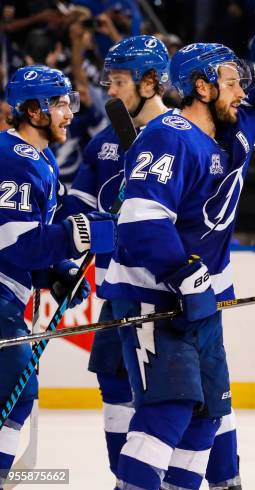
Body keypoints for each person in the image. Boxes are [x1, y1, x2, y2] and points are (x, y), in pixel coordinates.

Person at [96, 10, 255, 490]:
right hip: (154, 298)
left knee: (206, 414)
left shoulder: (230, 134)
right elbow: (143, 225)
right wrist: (189, 279)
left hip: (196, 300)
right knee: (168, 411)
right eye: (231, 82)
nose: (240, 91)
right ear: (202, 88)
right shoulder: (170, 135)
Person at [55, 34, 244, 490]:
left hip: (181, 290)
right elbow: (79, 212)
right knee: (136, 393)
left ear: (150, 82)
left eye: (118, 81)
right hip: (134, 288)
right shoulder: (108, 142)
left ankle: (222, 478)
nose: (110, 92)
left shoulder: (196, 134)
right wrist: (69, 254)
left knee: (201, 403)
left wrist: (191, 276)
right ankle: (131, 479)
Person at [0, 65, 117, 484]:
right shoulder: (12, 160)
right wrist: (76, 235)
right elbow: (13, 243)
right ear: (33, 111)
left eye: (70, 102)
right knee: (15, 393)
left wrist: (54, 273)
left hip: (7, 294)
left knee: (15, 395)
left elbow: (26, 243)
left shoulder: (39, 159)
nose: (70, 112)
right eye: (60, 103)